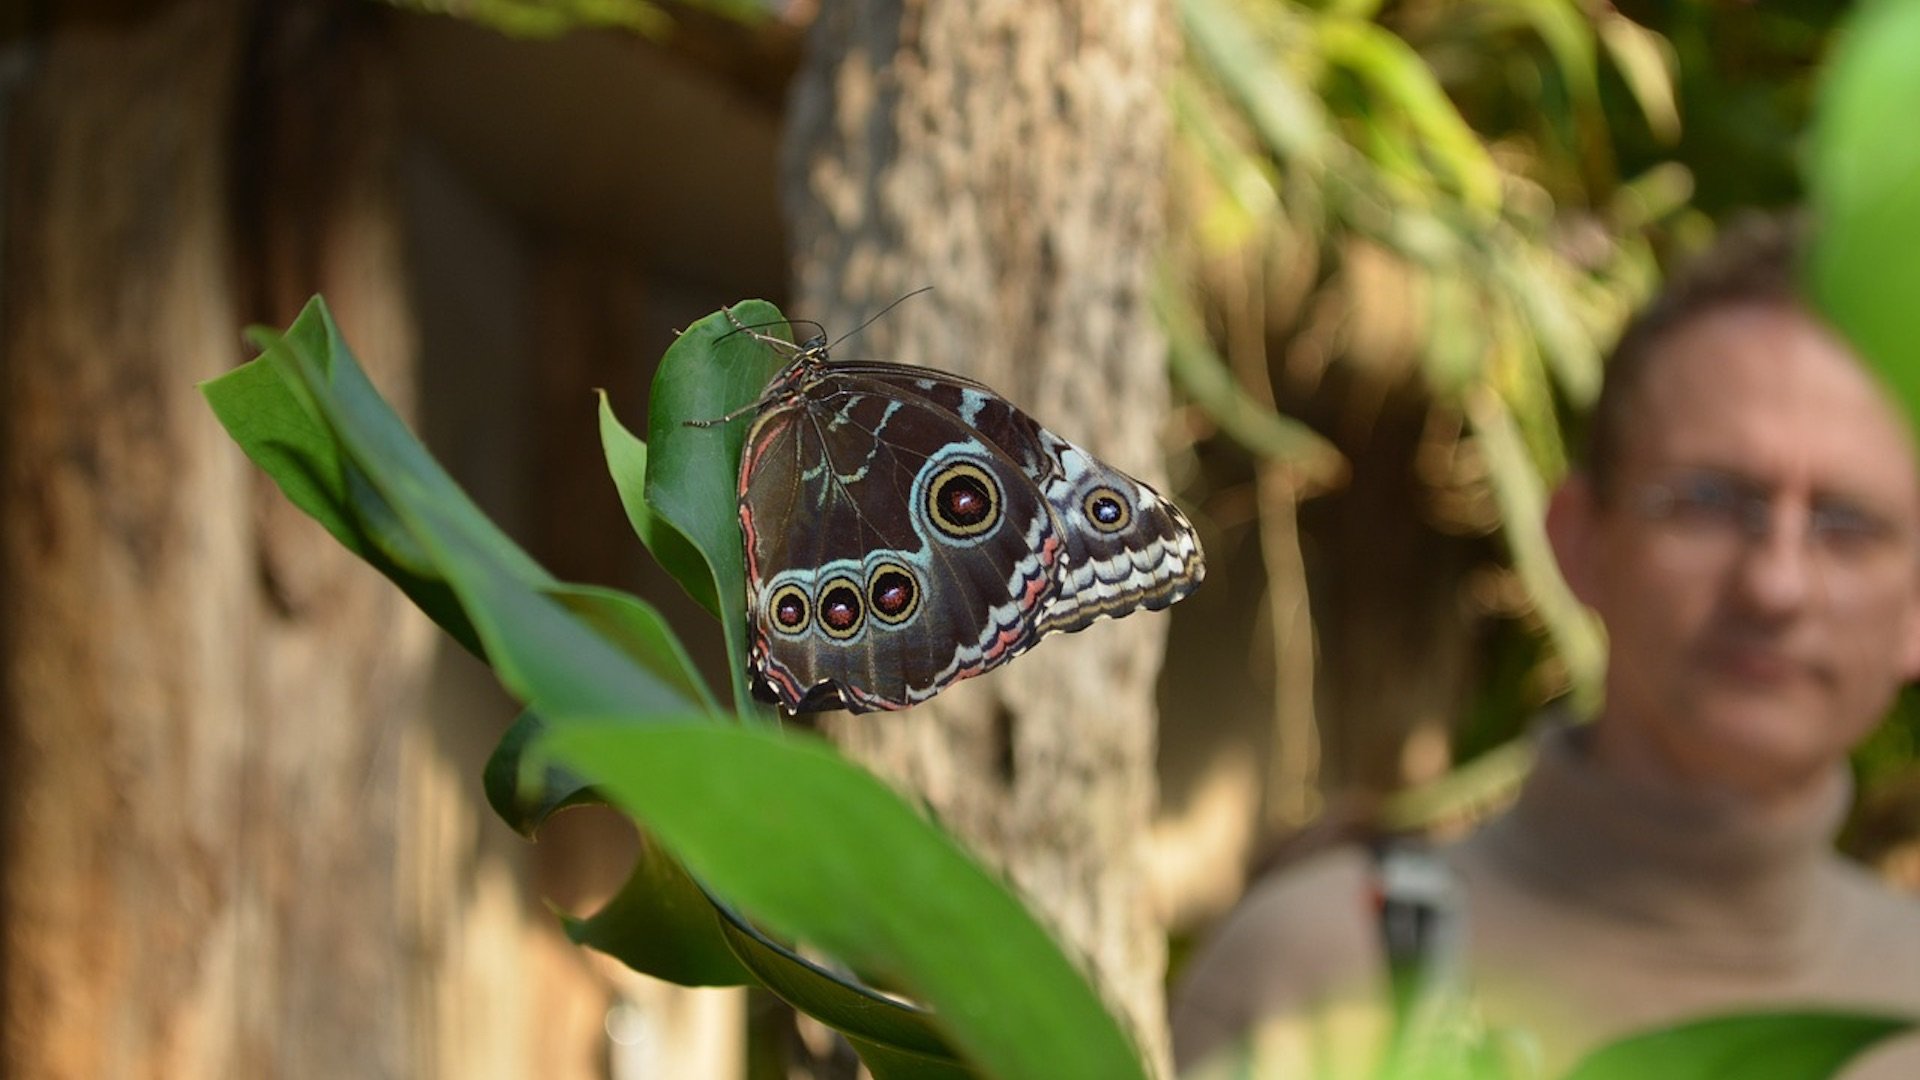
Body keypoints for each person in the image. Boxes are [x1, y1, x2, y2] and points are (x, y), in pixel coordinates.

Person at [1171, 215, 1920, 1080]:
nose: (1775, 584)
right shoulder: (1321, 982)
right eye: (1712, 502)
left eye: (1848, 525)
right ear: (1577, 542)